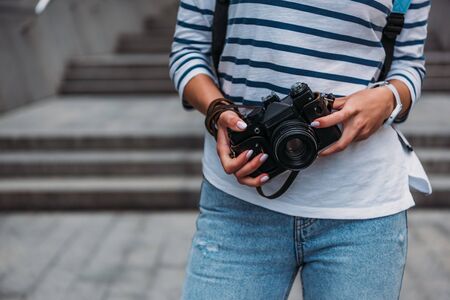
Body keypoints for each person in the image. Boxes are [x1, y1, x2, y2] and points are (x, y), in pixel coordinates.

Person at [169, 0, 432, 299]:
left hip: (363, 209)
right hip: (237, 206)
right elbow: (188, 49)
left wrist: (389, 98)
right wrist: (218, 112)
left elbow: (409, 63)